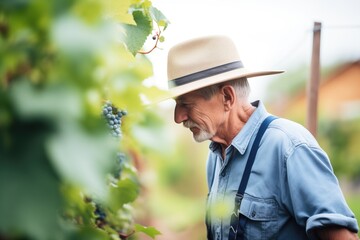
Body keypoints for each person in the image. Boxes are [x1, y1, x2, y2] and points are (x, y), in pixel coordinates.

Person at [164, 35, 359, 239]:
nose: (178, 117)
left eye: (186, 104)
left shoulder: (289, 147)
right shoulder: (215, 157)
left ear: (227, 98)